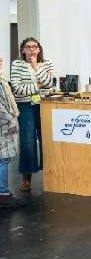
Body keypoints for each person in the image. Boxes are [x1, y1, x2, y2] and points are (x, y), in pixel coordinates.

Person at [10, 38, 55, 191]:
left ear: (39, 49)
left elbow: (52, 84)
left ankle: (49, 174)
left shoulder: (47, 62)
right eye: (27, 47)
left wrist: (36, 66)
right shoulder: (17, 64)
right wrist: (40, 84)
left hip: (44, 105)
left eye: (34, 46)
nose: (31, 49)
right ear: (23, 50)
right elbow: (17, 88)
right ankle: (26, 176)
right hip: (25, 106)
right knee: (27, 142)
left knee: (47, 141)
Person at [0, 56, 26, 207]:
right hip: (3, 127)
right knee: (3, 159)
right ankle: (3, 195)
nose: (1, 59)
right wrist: (10, 121)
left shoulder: (2, 78)